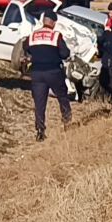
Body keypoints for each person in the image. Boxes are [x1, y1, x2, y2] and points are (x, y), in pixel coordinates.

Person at [24, 9, 72, 141]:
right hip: (54, 72)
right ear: (54, 23)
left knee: (39, 103)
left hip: (37, 73)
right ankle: (67, 122)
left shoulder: (33, 35)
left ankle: (40, 131)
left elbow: (25, 47)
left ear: (43, 21)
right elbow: (65, 54)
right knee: (62, 96)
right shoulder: (56, 36)